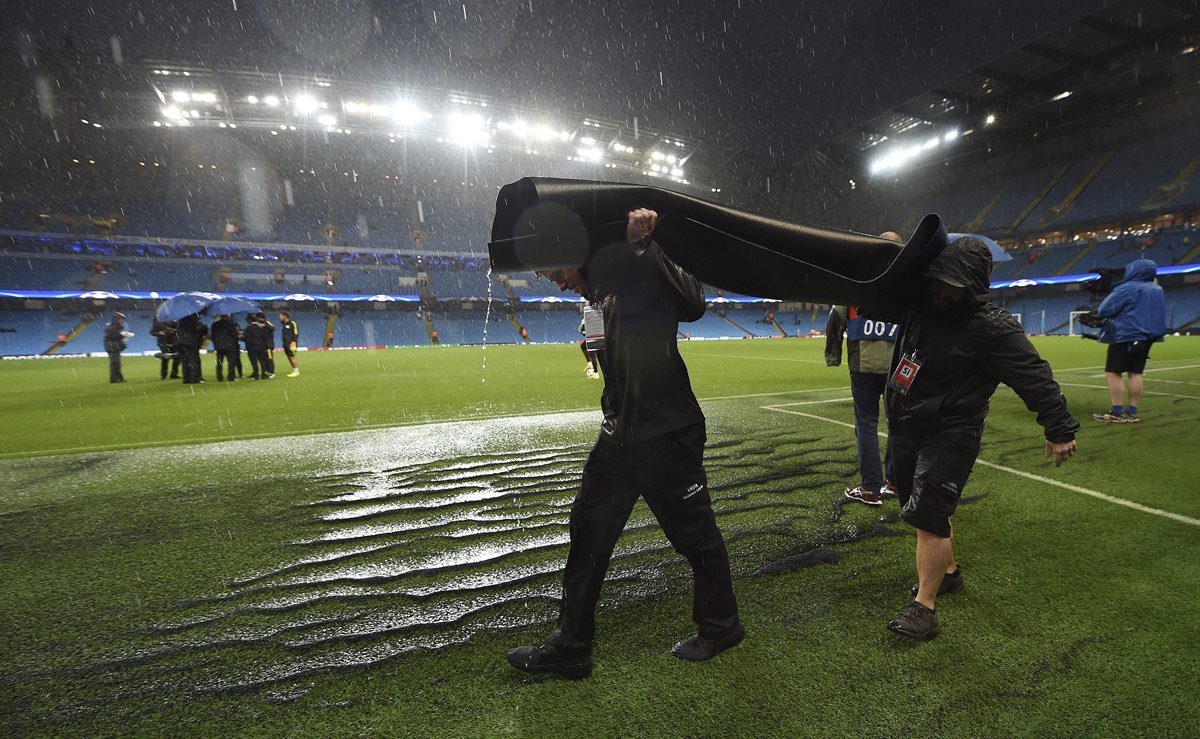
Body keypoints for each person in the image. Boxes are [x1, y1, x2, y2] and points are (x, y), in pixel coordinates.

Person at [507, 208, 743, 680]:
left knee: (696, 539)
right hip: (620, 436)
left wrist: (644, 245)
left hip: (665, 433)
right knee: (588, 534)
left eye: (556, 272)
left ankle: (721, 627)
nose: (556, 283)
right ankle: (572, 645)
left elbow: (693, 302)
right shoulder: (601, 296)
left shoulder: (638, 266)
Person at [880, 237, 1079, 640]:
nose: (939, 289)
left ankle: (925, 607)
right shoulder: (922, 305)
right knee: (921, 506)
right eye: (936, 280)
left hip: (952, 430)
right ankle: (949, 574)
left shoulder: (992, 328)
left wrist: (1058, 429)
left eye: (949, 284)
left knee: (928, 515)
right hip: (907, 425)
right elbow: (878, 296)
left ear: (972, 286)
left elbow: (1034, 376)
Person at [825, 230, 904, 506]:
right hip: (899, 368)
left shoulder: (858, 278)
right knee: (897, 424)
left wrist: (832, 355)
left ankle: (871, 488)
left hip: (864, 365)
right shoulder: (907, 281)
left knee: (867, 425)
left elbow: (835, 316)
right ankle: (896, 482)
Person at [1090, 258, 1168, 424]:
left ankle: (1117, 412)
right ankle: (1132, 412)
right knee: (1136, 373)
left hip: (1125, 334)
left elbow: (1105, 309)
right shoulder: (1157, 289)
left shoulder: (1127, 288)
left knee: (1113, 372)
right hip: (1148, 337)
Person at [176, 313, 208, 384]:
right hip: (190, 343)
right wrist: (204, 326)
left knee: (185, 361)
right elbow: (201, 329)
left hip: (180, 343)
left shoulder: (181, 320)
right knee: (193, 360)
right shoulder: (193, 321)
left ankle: (186, 378)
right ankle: (195, 378)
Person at [210, 315, 241, 382]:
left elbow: (212, 336)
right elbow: (235, 336)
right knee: (231, 362)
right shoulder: (231, 325)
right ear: (226, 317)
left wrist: (216, 344)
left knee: (219, 362)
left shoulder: (214, 325)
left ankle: (219, 377)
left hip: (219, 346)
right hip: (230, 346)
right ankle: (231, 376)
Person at [103, 312, 130, 383]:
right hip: (112, 348)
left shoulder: (113, 327)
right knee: (115, 363)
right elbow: (114, 336)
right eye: (121, 319)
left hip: (113, 347)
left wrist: (121, 338)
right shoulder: (112, 327)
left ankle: (119, 378)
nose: (122, 321)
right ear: (116, 319)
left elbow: (115, 337)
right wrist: (122, 335)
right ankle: (114, 378)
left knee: (117, 363)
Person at [243, 314, 270, 379]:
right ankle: (263, 374)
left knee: (254, 361)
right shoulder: (261, 326)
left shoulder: (249, 327)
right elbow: (265, 337)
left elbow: (247, 338)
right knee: (262, 361)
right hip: (262, 346)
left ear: (248, 320)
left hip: (252, 347)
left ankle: (256, 374)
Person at [279, 311, 300, 377]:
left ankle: (296, 371)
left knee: (292, 357)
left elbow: (296, 333)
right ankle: (294, 370)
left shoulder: (292, 323)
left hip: (291, 344)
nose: (280, 318)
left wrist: (293, 342)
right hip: (286, 344)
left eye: (281, 316)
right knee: (289, 357)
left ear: (285, 316)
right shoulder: (284, 324)